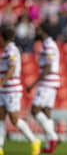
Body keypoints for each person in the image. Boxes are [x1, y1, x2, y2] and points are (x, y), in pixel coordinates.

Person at [0, 25, 41, 155]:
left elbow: (12, 69)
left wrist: (1, 82)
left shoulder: (11, 50)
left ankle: (34, 141)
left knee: (14, 119)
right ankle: (0, 147)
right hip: (4, 90)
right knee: (0, 117)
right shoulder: (6, 50)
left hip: (11, 89)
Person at [27, 23, 60, 153]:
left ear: (43, 31)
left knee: (35, 110)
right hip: (51, 82)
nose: (36, 32)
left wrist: (33, 84)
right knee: (46, 112)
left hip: (47, 82)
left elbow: (47, 67)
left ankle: (53, 136)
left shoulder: (48, 45)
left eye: (38, 30)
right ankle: (49, 145)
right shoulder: (49, 44)